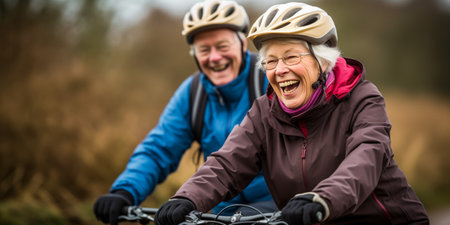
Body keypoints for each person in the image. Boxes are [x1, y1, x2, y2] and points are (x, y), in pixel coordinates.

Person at [154, 2, 430, 225]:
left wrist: (322, 199)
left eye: (291, 57)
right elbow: (228, 164)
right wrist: (187, 199)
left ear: (324, 60)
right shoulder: (265, 112)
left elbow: (366, 158)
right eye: (271, 61)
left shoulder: (362, 99)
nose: (279, 70)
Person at [93, 1, 277, 225]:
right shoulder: (193, 93)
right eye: (204, 49)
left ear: (242, 42)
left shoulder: (271, 77)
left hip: (276, 201)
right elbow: (159, 147)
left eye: (222, 46)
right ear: (194, 53)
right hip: (218, 204)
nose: (215, 57)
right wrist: (124, 191)